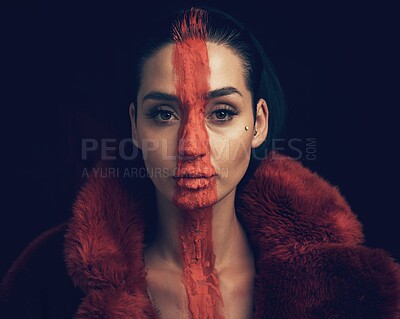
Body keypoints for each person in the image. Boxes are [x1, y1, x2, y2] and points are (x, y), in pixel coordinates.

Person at [1, 6, 400, 319]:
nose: (192, 145)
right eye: (163, 114)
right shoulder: (46, 284)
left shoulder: (356, 287)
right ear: (135, 127)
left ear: (258, 124)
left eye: (222, 113)